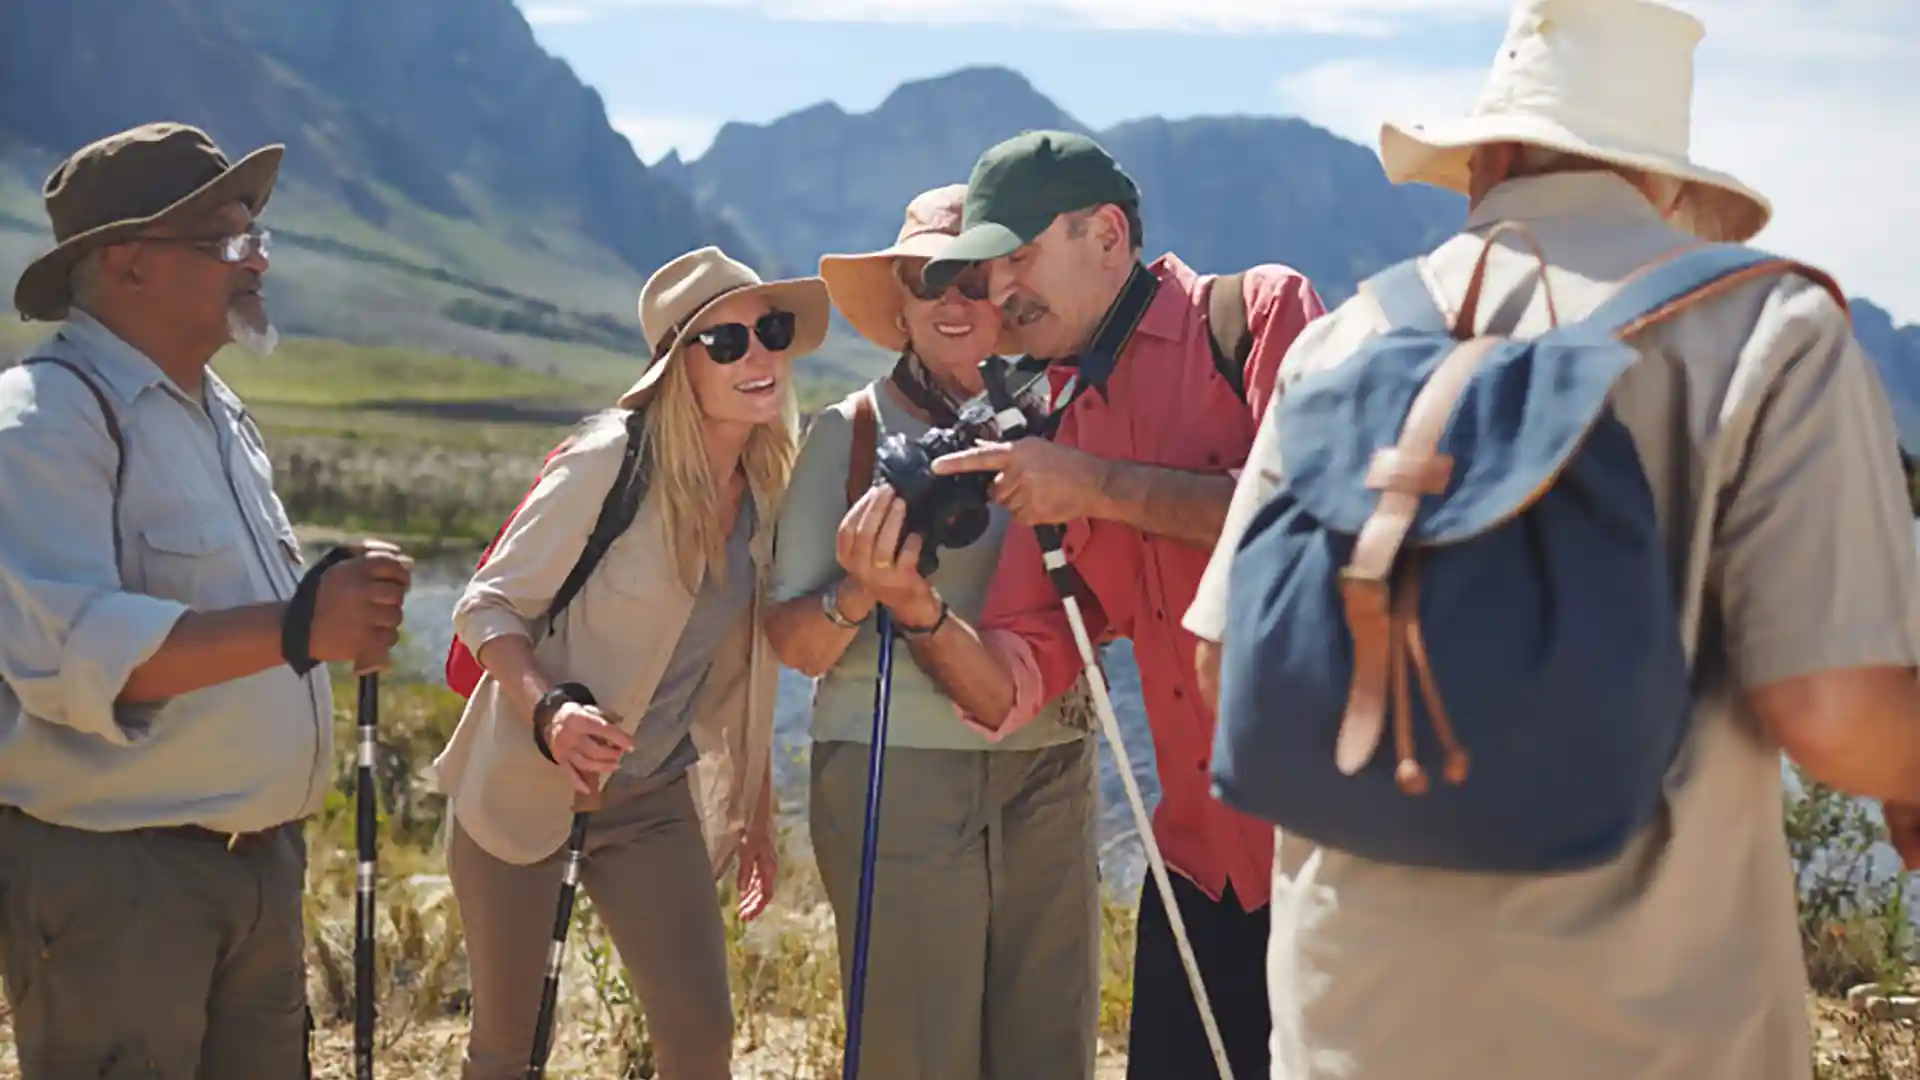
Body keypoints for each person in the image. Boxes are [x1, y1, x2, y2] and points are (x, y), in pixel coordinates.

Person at [1181, 2, 1920, 1078]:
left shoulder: (1346, 342)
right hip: (1642, 1033)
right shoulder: (1768, 333)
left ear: (1485, 159)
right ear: (1666, 184)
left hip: (1348, 1023)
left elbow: (1224, 666)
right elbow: (1833, 711)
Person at [836, 130, 1329, 1079]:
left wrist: (1096, 485)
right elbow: (1017, 675)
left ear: (1107, 235)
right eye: (985, 273)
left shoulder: (1259, 316)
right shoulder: (1052, 422)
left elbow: (1315, 520)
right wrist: (913, 604)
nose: (996, 295)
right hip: (1193, 874)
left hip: (1333, 871)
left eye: (1017, 258)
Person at [0, 121, 413, 1080]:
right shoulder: (42, 421)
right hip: (118, 883)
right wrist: (302, 624)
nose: (256, 260)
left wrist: (327, 617)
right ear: (127, 265)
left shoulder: (218, 414)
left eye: (257, 235)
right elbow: (74, 655)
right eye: (225, 240)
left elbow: (249, 626)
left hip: (257, 869)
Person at [432, 244, 830, 1080]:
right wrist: (553, 711)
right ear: (676, 369)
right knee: (508, 1054)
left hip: (651, 801)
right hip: (523, 788)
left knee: (701, 1040)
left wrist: (756, 810)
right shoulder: (608, 461)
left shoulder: (767, 493)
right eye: (725, 343)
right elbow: (486, 605)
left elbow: (746, 672)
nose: (758, 357)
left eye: (771, 331)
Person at [766, 183, 1102, 1080]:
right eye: (926, 281)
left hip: (1054, 765)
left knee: (1050, 1044)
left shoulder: (1069, 418)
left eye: (972, 277)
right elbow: (796, 645)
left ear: (1008, 292)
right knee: (913, 1052)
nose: (951, 301)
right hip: (896, 771)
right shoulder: (849, 435)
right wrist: (862, 590)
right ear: (902, 308)